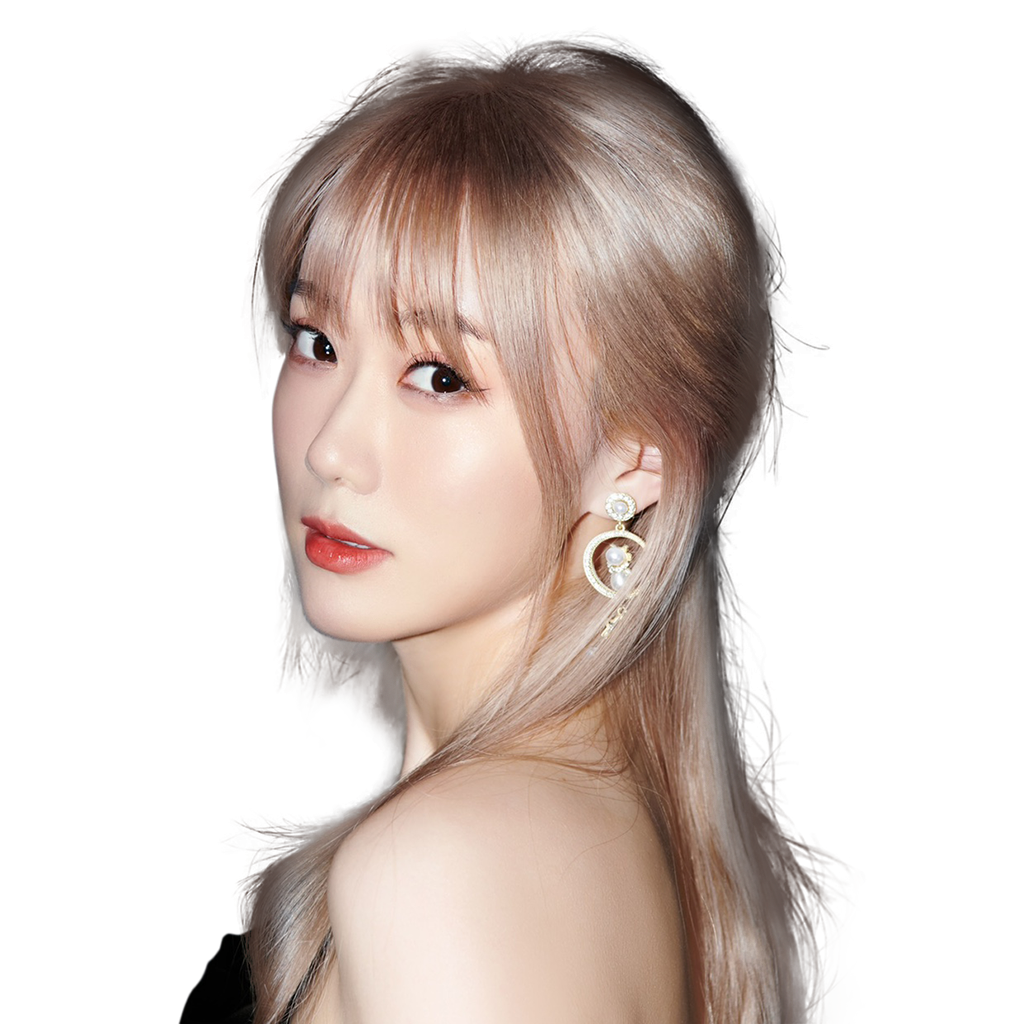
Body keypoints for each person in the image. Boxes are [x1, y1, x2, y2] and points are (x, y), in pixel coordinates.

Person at [220, 29, 857, 1024]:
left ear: (632, 458)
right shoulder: (601, 829)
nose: (331, 449)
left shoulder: (446, 863)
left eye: (441, 376)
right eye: (317, 341)